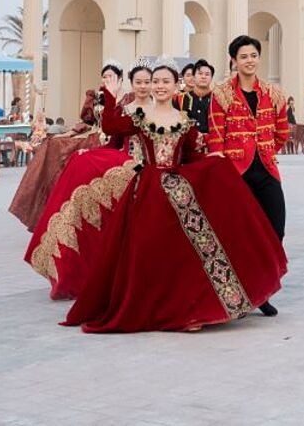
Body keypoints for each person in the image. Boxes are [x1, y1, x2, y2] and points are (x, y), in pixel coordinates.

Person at [63, 58, 287, 332]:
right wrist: (111, 95)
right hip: (147, 191)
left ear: (176, 85)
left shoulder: (185, 120)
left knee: (189, 252)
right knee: (149, 252)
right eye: (155, 82)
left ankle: (188, 310)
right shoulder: (139, 117)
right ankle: (156, 308)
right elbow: (110, 127)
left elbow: (191, 156)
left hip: (179, 191)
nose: (159, 86)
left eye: (164, 81)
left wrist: (213, 162)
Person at [26, 60, 150, 300]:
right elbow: (115, 139)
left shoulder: (157, 108)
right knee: (81, 167)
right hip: (125, 163)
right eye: (140, 82)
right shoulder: (124, 107)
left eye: (148, 82)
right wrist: (92, 153)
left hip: (149, 167)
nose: (144, 86)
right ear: (132, 84)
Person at [206, 35, 290, 316]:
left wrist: (265, 149)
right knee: (237, 234)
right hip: (235, 172)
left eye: (253, 55)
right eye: (243, 56)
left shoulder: (274, 93)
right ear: (234, 60)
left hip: (266, 169)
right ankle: (238, 294)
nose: (249, 60)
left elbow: (282, 132)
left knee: (275, 228)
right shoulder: (221, 94)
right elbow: (216, 135)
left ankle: (262, 290)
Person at [8, 64, 116, 230]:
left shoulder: (124, 98)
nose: (107, 79)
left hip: (114, 139)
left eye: (111, 76)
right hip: (94, 136)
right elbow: (88, 122)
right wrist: (69, 133)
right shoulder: (95, 96)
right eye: (105, 76)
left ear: (119, 78)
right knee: (54, 146)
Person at [176, 59, 214, 137]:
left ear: (211, 78)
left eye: (207, 74)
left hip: (212, 145)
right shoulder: (181, 99)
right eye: (200, 74)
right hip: (187, 146)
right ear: (194, 77)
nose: (203, 77)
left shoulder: (218, 99)